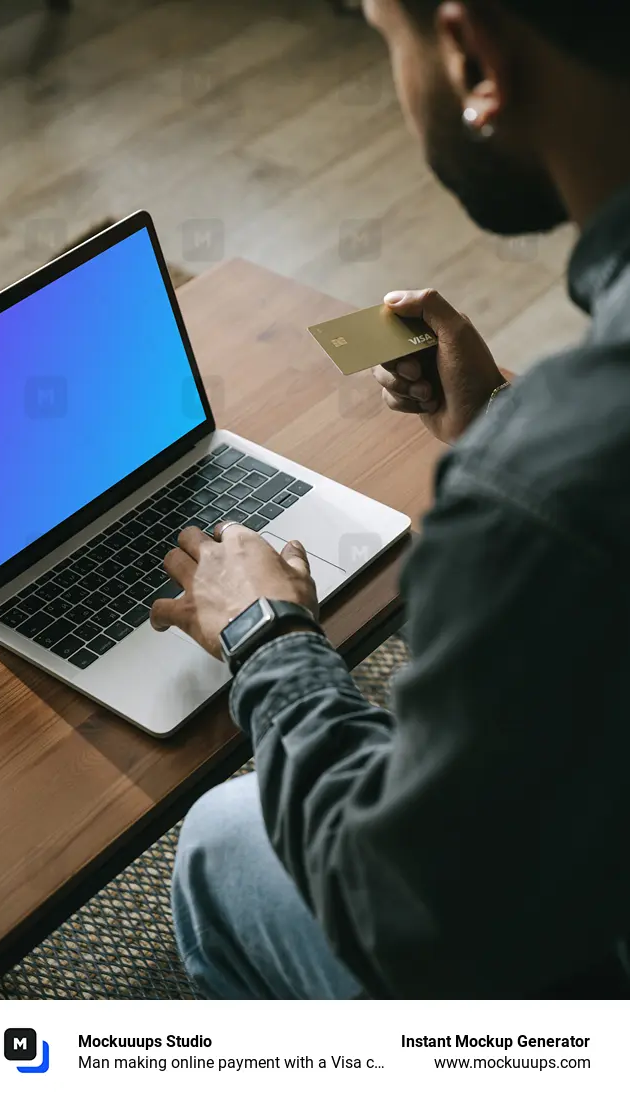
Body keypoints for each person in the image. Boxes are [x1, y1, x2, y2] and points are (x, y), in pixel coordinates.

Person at [152, 0, 630, 998]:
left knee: (219, 836)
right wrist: (501, 420)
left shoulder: (550, 486)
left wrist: (269, 636)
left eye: (387, 34)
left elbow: (394, 905)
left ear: (470, 57)